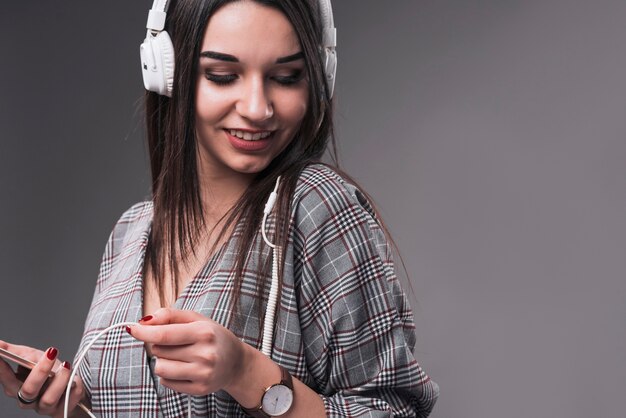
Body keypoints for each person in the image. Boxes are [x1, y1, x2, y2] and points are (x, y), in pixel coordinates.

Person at [0, 0, 439, 416]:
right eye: (223, 75)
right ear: (168, 74)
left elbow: (393, 409)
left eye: (286, 77)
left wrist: (245, 373)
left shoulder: (315, 207)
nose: (257, 108)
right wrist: (72, 404)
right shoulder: (131, 231)